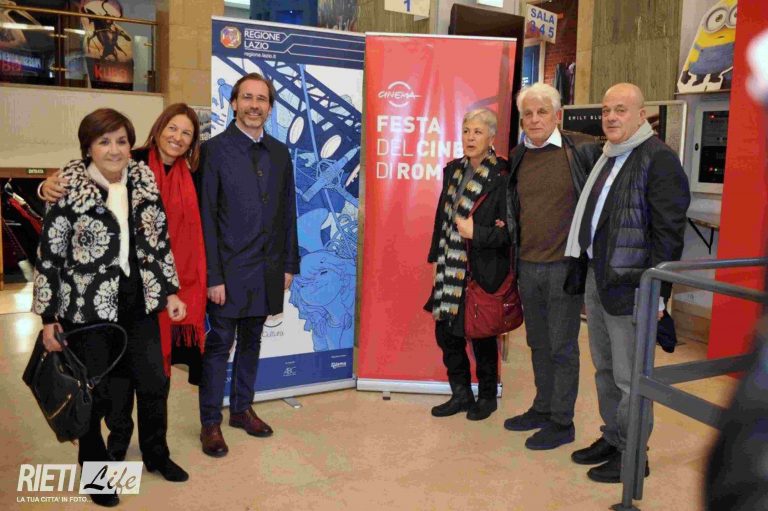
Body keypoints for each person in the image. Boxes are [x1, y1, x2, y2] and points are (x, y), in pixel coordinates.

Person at [32, 108, 188, 506]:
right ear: (88, 147)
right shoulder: (68, 188)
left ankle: (156, 454)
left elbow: (158, 241)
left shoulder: (143, 179)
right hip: (86, 311)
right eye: (104, 142)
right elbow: (49, 257)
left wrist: (170, 292)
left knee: (153, 383)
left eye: (121, 141)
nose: (114, 150)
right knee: (95, 395)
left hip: (139, 303)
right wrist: (48, 318)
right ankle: (96, 476)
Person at [564, 83, 690, 483]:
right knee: (604, 369)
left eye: (620, 109)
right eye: (606, 110)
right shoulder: (608, 156)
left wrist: (658, 294)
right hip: (598, 277)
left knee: (629, 376)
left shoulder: (659, 160)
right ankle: (614, 437)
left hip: (634, 287)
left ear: (640, 115)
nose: (611, 117)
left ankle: (634, 454)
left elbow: (668, 235)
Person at [198, 72, 299, 457]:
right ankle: (211, 422)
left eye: (262, 99)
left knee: (252, 342)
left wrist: (289, 264)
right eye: (247, 97)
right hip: (228, 272)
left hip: (268, 269)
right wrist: (213, 276)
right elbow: (206, 217)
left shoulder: (280, 153)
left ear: (269, 107)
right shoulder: (214, 151)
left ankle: (241, 409)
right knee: (219, 346)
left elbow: (288, 212)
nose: (254, 105)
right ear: (234, 103)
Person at [503, 83, 601, 450]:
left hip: (564, 267)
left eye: (542, 112)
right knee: (537, 343)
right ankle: (542, 407)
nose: (534, 119)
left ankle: (562, 422)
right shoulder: (517, 157)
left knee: (562, 347)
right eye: (527, 114)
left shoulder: (583, 150)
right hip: (527, 266)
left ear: (557, 116)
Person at [425, 108, 510, 421]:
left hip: (483, 269)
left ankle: (487, 397)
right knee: (447, 334)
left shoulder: (502, 175)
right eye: (466, 131)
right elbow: (442, 220)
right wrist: (437, 260)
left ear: (491, 137)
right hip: (450, 266)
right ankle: (460, 394)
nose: (470, 138)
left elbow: (510, 233)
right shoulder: (453, 170)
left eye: (477, 132)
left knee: (483, 336)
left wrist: (479, 233)